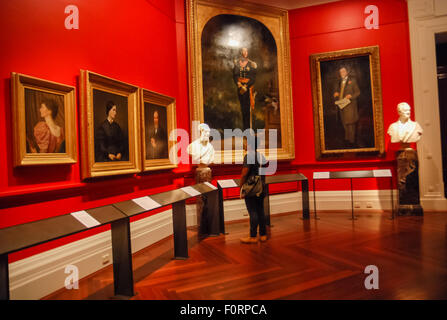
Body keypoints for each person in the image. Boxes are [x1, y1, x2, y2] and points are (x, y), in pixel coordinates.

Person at [239, 135, 267, 244]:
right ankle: (263, 235)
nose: (244, 145)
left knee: (253, 211)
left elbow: (244, 173)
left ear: (250, 144)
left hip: (251, 188)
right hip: (261, 187)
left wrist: (241, 186)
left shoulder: (248, 156)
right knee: (260, 210)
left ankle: (253, 236)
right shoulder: (261, 156)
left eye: (246, 143)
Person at [333, 67, 361, 147]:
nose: (342, 73)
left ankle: (352, 142)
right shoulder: (339, 82)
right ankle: (347, 139)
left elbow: (358, 92)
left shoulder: (352, 81)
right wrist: (335, 94)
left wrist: (351, 96)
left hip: (350, 105)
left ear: (347, 72)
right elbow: (337, 91)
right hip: (341, 104)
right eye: (341, 72)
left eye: (343, 71)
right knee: (344, 122)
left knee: (351, 123)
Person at [233, 47, 257, 130]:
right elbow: (235, 76)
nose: (245, 53)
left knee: (247, 110)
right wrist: (238, 84)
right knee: (243, 109)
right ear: (241, 53)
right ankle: (244, 129)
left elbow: (253, 78)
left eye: (246, 51)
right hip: (240, 89)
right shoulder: (237, 63)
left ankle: (248, 130)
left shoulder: (251, 64)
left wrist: (246, 86)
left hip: (248, 88)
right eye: (243, 51)